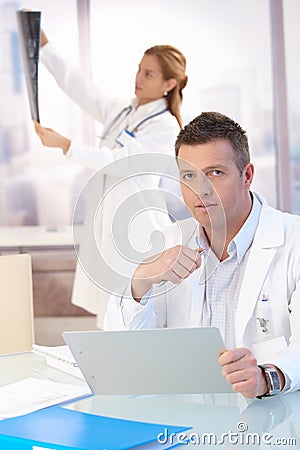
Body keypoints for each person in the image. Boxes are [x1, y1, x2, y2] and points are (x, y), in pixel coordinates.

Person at [104, 111, 300, 399]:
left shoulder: (293, 240)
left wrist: (266, 377)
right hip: (190, 417)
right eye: (188, 176)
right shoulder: (170, 241)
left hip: (273, 422)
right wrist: (141, 279)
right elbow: (127, 351)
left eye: (215, 173)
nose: (200, 190)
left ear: (247, 176)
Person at [34, 29, 188, 328]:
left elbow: (121, 163)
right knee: (109, 313)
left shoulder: (166, 127)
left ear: (169, 84)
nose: (139, 78)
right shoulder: (124, 110)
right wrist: (45, 47)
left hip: (138, 231)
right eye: (139, 70)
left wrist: (67, 145)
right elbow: (80, 87)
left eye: (149, 74)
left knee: (133, 313)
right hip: (109, 226)